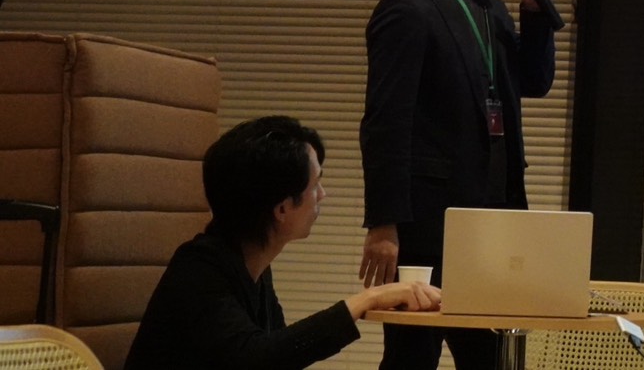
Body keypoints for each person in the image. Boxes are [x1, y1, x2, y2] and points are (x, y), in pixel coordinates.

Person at [358, 0, 559, 370]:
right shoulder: (408, 9)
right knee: (412, 357)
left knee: (491, 356)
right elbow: (386, 122)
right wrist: (384, 223)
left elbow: (533, 82)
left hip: (493, 221)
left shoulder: (492, 8)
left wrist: (536, 15)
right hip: (429, 224)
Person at [124, 116, 441, 370]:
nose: (322, 195)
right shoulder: (198, 269)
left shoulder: (253, 265)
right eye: (315, 185)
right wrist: (365, 301)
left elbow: (278, 355)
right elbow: (255, 359)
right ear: (282, 209)